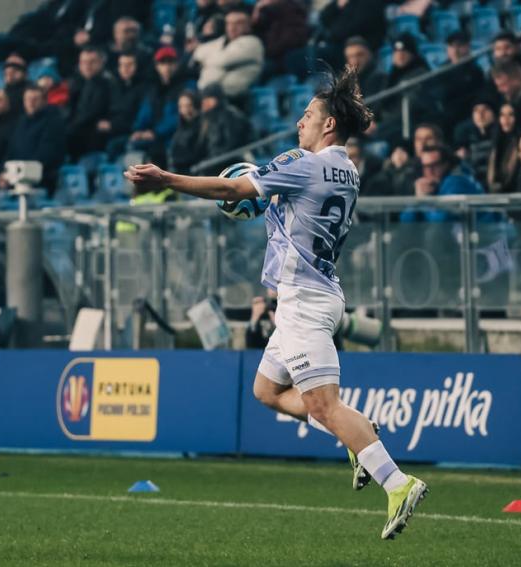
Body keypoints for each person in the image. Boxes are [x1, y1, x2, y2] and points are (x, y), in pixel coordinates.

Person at [125, 67, 428, 540]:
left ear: (329, 124)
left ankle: (397, 481)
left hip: (305, 301)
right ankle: (359, 434)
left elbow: (232, 189)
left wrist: (166, 178)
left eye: (307, 116)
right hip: (315, 295)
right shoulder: (347, 169)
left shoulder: (302, 163)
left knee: (324, 407)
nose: (298, 124)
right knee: (266, 391)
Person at [193, 6, 264, 99]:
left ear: (248, 25)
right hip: (208, 95)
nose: (232, 28)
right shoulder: (221, 41)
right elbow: (198, 53)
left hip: (235, 99)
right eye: (229, 23)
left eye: (238, 23)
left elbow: (222, 60)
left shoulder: (253, 43)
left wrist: (206, 63)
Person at [6, 84, 66, 191]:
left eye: (35, 99)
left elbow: (46, 155)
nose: (31, 103)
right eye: (28, 99)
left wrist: (21, 172)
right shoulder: (20, 122)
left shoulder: (53, 122)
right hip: (18, 177)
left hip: (43, 180)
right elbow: (12, 150)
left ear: (44, 101)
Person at [66, 46, 112, 159]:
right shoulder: (76, 83)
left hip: (93, 136)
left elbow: (92, 113)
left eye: (92, 62)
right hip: (78, 131)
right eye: (83, 62)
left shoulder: (107, 84)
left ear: (101, 63)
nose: (87, 66)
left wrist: (68, 127)